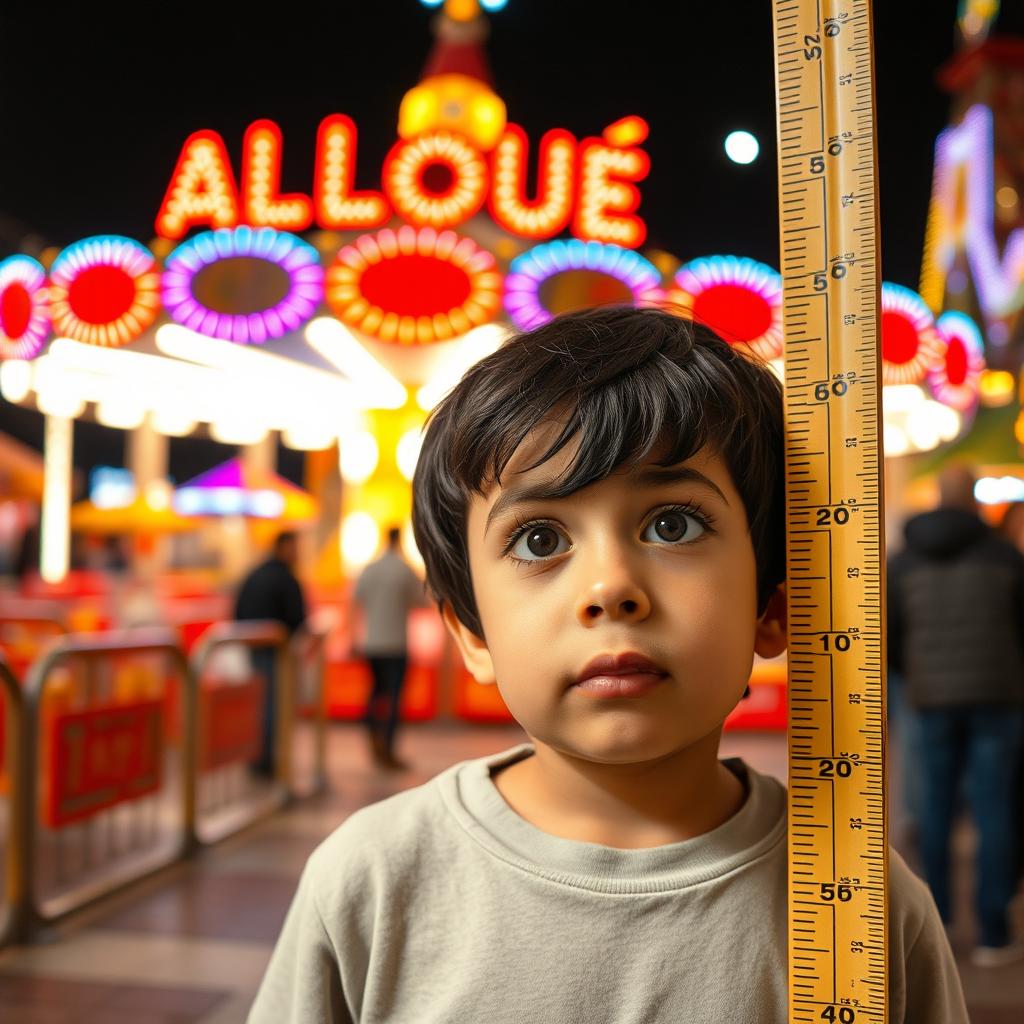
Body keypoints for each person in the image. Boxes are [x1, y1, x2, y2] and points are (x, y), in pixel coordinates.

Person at [249, 307, 966, 1023]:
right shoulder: (371, 883)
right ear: (472, 633)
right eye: (537, 540)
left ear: (772, 607)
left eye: (672, 524)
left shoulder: (868, 907)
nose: (610, 587)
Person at [888, 465, 1024, 967]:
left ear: (936, 498)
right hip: (999, 699)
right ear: (973, 500)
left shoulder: (903, 561)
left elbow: (891, 636)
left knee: (935, 813)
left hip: (929, 700)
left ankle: (939, 922)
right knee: (995, 811)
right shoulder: (1005, 556)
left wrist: (919, 676)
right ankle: (994, 934)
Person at [352, 526, 428, 771]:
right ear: (400, 540)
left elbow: (356, 601)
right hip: (396, 643)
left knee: (375, 693)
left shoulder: (371, 568)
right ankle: (389, 748)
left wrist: (353, 638)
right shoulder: (404, 569)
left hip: (372, 643)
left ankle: (372, 740)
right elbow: (422, 601)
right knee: (395, 698)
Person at [234, 531, 307, 776]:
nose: (298, 553)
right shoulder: (284, 577)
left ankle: (260, 758)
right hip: (276, 652)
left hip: (254, 649)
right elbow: (297, 615)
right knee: (272, 706)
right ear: (284, 547)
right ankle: (266, 760)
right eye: (295, 546)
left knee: (261, 705)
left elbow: (237, 608)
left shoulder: (256, 573)